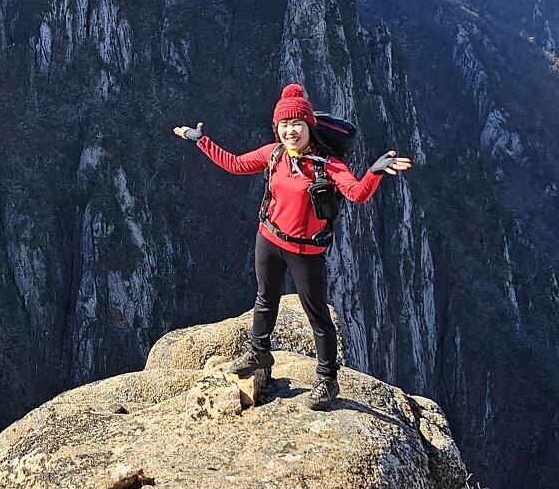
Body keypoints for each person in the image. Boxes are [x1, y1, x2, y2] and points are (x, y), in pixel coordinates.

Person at [173, 82, 412, 410]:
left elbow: (357, 193)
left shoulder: (328, 165)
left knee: (316, 313)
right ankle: (259, 352)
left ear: (309, 126)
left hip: (305, 251)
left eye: (296, 124)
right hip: (268, 238)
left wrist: (374, 172)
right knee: (265, 298)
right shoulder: (273, 154)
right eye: (284, 125)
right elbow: (235, 164)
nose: (290, 130)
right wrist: (200, 141)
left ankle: (327, 378)